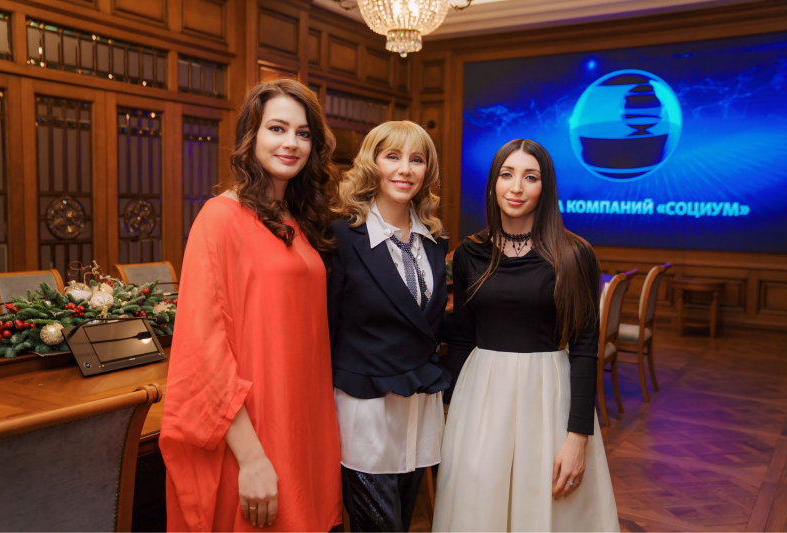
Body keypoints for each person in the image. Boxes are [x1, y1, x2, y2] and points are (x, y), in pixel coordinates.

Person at [159, 79, 342, 532]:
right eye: (277, 128)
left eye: (303, 133)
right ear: (251, 135)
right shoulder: (220, 217)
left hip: (302, 425)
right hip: (253, 433)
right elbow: (204, 351)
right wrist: (252, 458)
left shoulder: (296, 219)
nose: (291, 142)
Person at [432, 139, 620, 532]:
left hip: (548, 397)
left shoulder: (574, 254)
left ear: (545, 187)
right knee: (478, 508)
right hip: (480, 399)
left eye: (530, 177)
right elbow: (462, 339)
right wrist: (448, 412)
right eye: (507, 174)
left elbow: (585, 348)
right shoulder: (469, 254)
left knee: (546, 508)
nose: (516, 187)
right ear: (493, 184)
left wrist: (578, 437)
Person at [326, 121, 450, 532]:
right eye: (392, 156)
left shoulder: (434, 239)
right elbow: (326, 328)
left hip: (417, 406)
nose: (405, 169)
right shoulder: (342, 237)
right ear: (372, 163)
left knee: (404, 519)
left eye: (417, 159)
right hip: (365, 408)